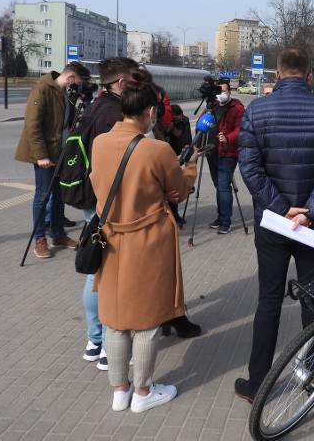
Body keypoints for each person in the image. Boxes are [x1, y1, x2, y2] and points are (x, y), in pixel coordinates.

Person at [234, 47, 314, 402]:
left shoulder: (256, 110)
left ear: (278, 75)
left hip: (272, 224)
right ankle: (309, 373)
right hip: (312, 225)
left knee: (268, 300)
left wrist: (282, 209)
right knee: (313, 299)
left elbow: (249, 169)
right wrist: (308, 211)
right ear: (309, 76)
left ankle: (257, 384)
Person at [89, 67, 199, 413]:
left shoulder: (100, 141)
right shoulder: (157, 150)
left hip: (111, 237)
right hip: (147, 239)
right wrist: (191, 167)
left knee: (116, 319)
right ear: (150, 111)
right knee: (148, 320)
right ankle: (143, 392)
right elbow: (179, 190)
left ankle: (119, 391)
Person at [75, 56, 138, 370]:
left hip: (94, 196)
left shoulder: (96, 105)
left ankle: (94, 339)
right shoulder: (112, 113)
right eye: (134, 79)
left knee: (95, 270)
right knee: (101, 273)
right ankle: (102, 341)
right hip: (107, 200)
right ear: (123, 82)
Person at [14, 61, 91, 259]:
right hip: (45, 156)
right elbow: (32, 126)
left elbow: (69, 123)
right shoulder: (42, 91)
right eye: (78, 83)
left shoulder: (66, 94)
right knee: (43, 196)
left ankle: (58, 234)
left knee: (59, 196)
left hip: (62, 154)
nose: (78, 87)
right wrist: (41, 156)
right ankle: (40, 239)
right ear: (71, 78)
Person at [202, 79, 244, 234]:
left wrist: (228, 138)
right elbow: (202, 123)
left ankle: (226, 221)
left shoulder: (237, 108)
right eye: (218, 91)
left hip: (228, 153)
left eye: (224, 91)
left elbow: (241, 129)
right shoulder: (211, 107)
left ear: (229, 92)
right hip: (211, 152)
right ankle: (220, 217)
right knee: (218, 186)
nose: (221, 94)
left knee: (224, 187)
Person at [167, 104, 192, 228]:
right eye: (175, 119)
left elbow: (188, 140)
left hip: (181, 153)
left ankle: (175, 214)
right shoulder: (166, 123)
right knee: (171, 187)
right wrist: (168, 129)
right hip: (169, 156)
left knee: (176, 187)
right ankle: (172, 214)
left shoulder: (185, 121)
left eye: (179, 119)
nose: (177, 121)